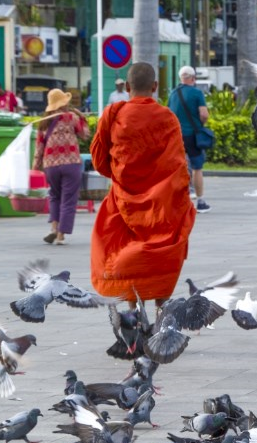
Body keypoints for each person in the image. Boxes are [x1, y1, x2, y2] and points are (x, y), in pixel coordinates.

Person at [89, 62, 196, 303]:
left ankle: (133, 308)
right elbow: (178, 166)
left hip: (124, 199)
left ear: (127, 87)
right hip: (163, 204)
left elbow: (99, 161)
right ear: (155, 86)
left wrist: (119, 176)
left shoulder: (114, 115)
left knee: (125, 249)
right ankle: (160, 308)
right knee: (161, 251)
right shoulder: (168, 118)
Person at [33, 89, 92, 245]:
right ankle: (60, 236)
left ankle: (53, 228)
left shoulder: (43, 122)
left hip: (51, 165)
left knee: (54, 196)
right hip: (70, 163)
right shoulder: (71, 118)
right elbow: (85, 135)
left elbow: (39, 146)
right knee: (68, 199)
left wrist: (36, 165)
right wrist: (82, 118)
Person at [168, 66, 212, 213]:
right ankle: (200, 202)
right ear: (193, 78)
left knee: (179, 167)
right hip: (192, 135)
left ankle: (178, 201)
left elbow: (169, 114)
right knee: (197, 168)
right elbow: (204, 114)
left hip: (177, 136)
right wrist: (201, 124)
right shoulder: (197, 93)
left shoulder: (173, 94)